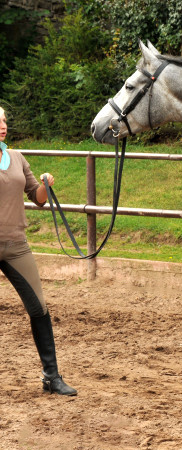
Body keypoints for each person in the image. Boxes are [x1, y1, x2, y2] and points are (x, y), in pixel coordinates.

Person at [0, 106, 77, 395]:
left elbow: (37, 198)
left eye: (4, 121)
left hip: (16, 245)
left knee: (39, 309)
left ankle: (51, 377)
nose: (3, 126)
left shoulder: (17, 158)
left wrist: (45, 184)